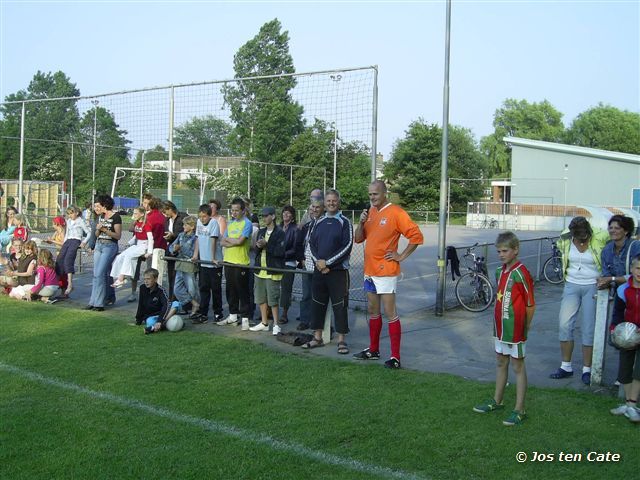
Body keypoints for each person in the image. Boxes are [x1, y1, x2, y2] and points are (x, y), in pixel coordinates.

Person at [352, 180, 424, 368]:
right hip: (370, 270)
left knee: (390, 313)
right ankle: (373, 350)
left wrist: (400, 256)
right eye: (370, 194)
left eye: (375, 194)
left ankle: (395, 357)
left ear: (385, 193)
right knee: (373, 311)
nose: (372, 198)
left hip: (386, 271)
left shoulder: (396, 212)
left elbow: (416, 236)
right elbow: (358, 239)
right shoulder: (370, 212)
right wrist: (360, 222)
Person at [472, 232, 535, 426]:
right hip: (499, 327)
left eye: (505, 251)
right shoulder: (500, 271)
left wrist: (526, 327)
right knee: (500, 362)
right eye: (498, 251)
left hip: (515, 329)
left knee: (518, 366)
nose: (501, 254)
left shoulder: (521, 272)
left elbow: (530, 304)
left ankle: (520, 409)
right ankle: (497, 400)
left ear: (515, 250)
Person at [549, 216, 608, 384]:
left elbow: (615, 242)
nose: (582, 242)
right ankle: (566, 366)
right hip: (571, 284)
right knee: (564, 324)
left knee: (589, 327)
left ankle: (587, 369)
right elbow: (561, 249)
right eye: (578, 239)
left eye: (585, 238)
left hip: (592, 285)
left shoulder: (600, 236)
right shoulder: (566, 238)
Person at [302, 189, 353, 353]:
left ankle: (341, 340)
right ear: (324, 203)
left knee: (340, 305)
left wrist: (328, 263)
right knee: (317, 303)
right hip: (319, 270)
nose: (331, 203)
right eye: (328, 201)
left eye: (334, 201)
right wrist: (319, 263)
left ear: (339, 202)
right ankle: (317, 337)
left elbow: (347, 246)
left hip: (337, 272)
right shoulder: (319, 222)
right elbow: (311, 244)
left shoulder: (345, 222)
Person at [609, 255, 640, 423]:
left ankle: (633, 404)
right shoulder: (623, 290)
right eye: (638, 268)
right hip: (626, 336)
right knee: (625, 370)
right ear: (631, 269)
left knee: (639, 371)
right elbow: (618, 313)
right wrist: (614, 329)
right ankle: (629, 405)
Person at [249, 206, 286, 334]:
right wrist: (258, 246)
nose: (264, 218)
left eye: (266, 216)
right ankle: (264, 323)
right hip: (260, 270)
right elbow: (256, 250)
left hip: (273, 270)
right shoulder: (261, 231)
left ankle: (276, 324)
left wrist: (266, 245)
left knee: (273, 299)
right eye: (262, 216)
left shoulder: (280, 233)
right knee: (260, 298)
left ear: (273, 216)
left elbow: (280, 252)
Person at [598, 215, 640, 328]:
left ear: (626, 231)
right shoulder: (606, 250)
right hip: (621, 297)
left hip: (637, 295)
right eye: (610, 228)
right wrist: (603, 282)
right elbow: (606, 274)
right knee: (620, 332)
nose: (612, 230)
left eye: (617, 228)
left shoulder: (636, 247)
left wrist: (612, 279)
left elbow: (636, 275)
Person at [218, 197, 253, 329]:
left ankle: (245, 318)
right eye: (232, 210)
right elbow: (222, 242)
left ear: (243, 211)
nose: (234, 213)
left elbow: (241, 241)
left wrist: (229, 240)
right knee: (230, 290)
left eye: (236, 210)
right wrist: (233, 240)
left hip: (241, 262)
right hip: (228, 261)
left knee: (242, 291)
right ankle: (232, 315)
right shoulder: (230, 223)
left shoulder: (247, 223)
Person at [86, 194, 122, 312]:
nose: (96, 208)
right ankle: (93, 301)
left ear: (104, 205)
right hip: (99, 245)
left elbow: (118, 235)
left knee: (100, 273)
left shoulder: (116, 217)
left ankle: (99, 303)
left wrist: (105, 230)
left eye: (98, 206)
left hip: (109, 246)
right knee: (96, 274)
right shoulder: (101, 217)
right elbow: (96, 235)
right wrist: (98, 229)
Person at [295, 199, 324, 330]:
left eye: (317, 207)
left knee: (318, 296)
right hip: (306, 266)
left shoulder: (324, 225)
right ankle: (304, 320)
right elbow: (299, 244)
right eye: (312, 208)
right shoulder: (307, 226)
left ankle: (318, 322)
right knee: (306, 295)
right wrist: (301, 259)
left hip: (319, 267)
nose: (313, 210)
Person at [191, 204, 223, 324]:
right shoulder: (199, 222)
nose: (202, 218)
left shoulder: (214, 223)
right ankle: (203, 313)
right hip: (203, 262)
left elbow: (213, 240)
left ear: (209, 215)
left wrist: (213, 258)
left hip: (213, 264)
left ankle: (218, 313)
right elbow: (198, 239)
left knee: (215, 289)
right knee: (203, 288)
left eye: (204, 216)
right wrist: (195, 255)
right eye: (200, 216)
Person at [111, 206, 154, 288]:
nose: (134, 215)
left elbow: (150, 238)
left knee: (129, 256)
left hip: (144, 245)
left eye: (135, 213)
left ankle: (121, 278)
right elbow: (136, 235)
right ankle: (118, 277)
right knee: (120, 256)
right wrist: (129, 243)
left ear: (141, 214)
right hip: (137, 244)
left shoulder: (147, 224)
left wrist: (149, 251)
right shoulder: (137, 223)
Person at [55, 205, 91, 297]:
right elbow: (67, 233)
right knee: (59, 259)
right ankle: (58, 281)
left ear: (76, 213)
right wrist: (64, 242)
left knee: (68, 260)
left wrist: (84, 242)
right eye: (69, 214)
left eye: (71, 213)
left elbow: (88, 233)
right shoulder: (69, 221)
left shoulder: (80, 221)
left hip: (76, 240)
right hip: (68, 240)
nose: (70, 215)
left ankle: (70, 284)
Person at [168, 215, 200, 316]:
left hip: (189, 265)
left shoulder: (196, 238)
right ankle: (194, 303)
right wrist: (174, 250)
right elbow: (172, 246)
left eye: (186, 224)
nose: (183, 226)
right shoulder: (181, 235)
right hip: (180, 265)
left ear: (192, 226)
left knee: (191, 289)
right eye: (183, 224)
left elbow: (195, 252)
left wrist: (181, 249)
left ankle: (195, 308)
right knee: (177, 289)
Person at [133, 267, 177, 333]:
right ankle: (162, 324)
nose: (146, 281)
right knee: (150, 322)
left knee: (176, 304)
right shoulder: (142, 288)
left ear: (155, 279)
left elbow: (166, 305)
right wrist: (138, 320)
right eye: (144, 279)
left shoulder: (161, 290)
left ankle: (160, 324)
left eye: (148, 279)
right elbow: (141, 304)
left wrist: (160, 320)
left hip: (161, 313)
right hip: (150, 316)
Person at [162, 200, 186, 298]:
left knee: (181, 278)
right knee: (171, 276)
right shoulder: (167, 221)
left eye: (165, 211)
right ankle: (172, 298)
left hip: (182, 251)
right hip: (171, 251)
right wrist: (168, 237)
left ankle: (183, 301)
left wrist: (173, 235)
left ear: (170, 209)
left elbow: (187, 233)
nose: (164, 214)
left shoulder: (183, 217)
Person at [279, 205, 297, 324]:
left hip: (288, 262)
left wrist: (282, 254)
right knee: (273, 288)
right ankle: (270, 311)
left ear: (292, 216)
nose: (286, 214)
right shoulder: (278, 227)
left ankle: (284, 314)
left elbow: (295, 248)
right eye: (284, 212)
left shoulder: (295, 229)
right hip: (276, 262)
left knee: (286, 289)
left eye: (288, 212)